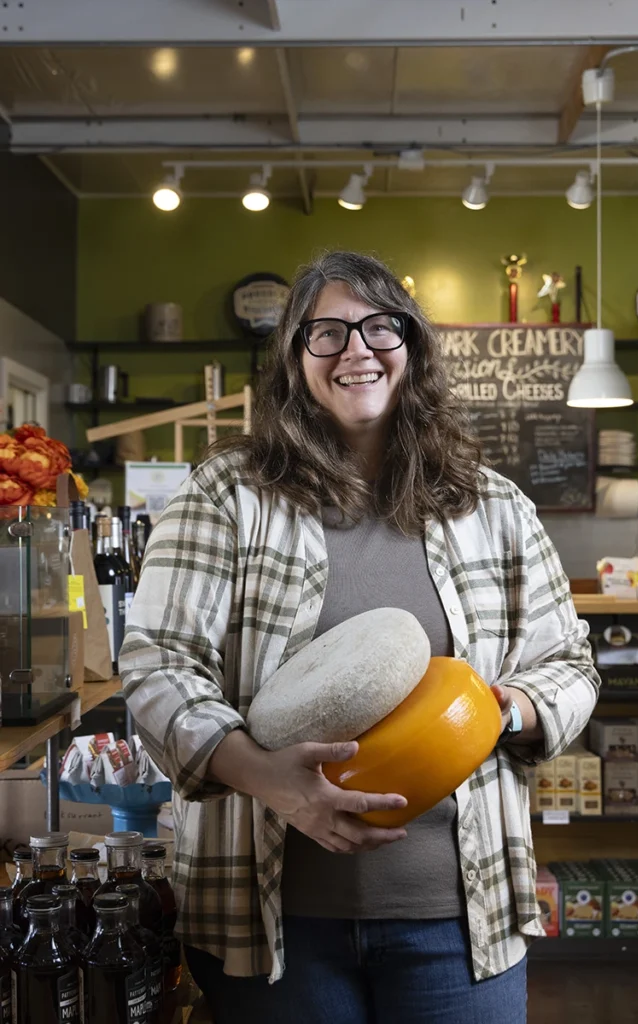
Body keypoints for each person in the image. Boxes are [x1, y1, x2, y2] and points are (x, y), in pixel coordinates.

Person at [119, 251, 599, 1024]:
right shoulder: (227, 494)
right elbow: (156, 663)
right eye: (327, 334)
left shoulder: (493, 506)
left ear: (411, 345)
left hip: (457, 914)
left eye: (380, 327)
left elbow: (568, 664)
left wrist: (500, 710)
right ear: (293, 359)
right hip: (270, 920)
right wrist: (269, 778)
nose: (356, 351)